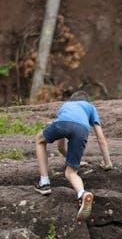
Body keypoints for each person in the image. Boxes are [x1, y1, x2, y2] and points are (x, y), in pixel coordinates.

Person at [35, 90, 111, 221]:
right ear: (86, 101)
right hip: (82, 129)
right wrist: (107, 162)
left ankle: (44, 182)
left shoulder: (66, 106)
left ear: (72, 100)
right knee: (71, 172)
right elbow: (101, 138)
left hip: (63, 124)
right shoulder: (90, 108)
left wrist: (71, 158)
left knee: (39, 140)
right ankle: (82, 193)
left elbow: (60, 147)